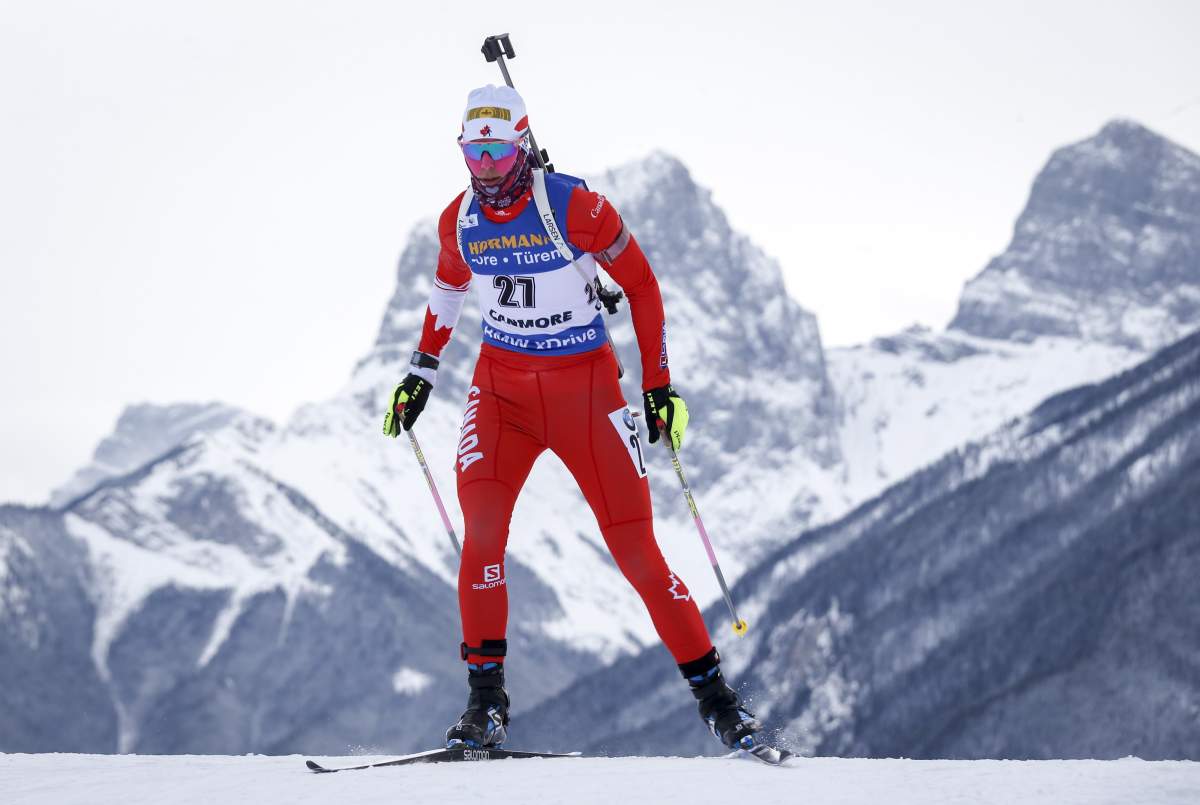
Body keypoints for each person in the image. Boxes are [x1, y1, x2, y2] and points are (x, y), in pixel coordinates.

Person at [382, 84, 759, 752]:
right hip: (501, 394)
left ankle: (721, 704)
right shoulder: (460, 220)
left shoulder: (575, 208)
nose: (486, 165)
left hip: (586, 393)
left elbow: (641, 284)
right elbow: (447, 287)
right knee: (484, 534)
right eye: (473, 149)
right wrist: (421, 371)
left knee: (637, 552)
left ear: (522, 143)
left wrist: (658, 384)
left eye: (497, 148)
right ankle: (485, 705)